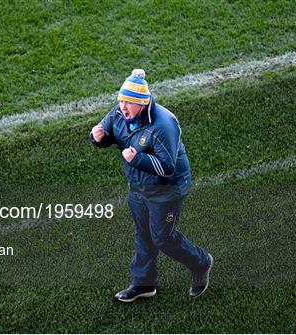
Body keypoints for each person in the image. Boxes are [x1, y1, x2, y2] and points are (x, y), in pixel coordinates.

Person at [89, 69, 213, 302]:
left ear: (142, 103)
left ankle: (201, 262)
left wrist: (137, 159)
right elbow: (108, 132)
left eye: (129, 103)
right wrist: (98, 137)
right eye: (121, 100)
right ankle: (143, 284)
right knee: (143, 233)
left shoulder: (164, 124)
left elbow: (167, 167)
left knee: (162, 238)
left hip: (167, 190)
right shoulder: (119, 112)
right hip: (138, 186)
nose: (123, 107)